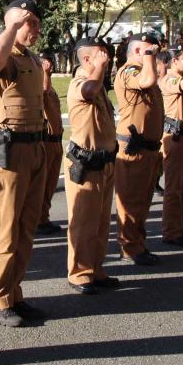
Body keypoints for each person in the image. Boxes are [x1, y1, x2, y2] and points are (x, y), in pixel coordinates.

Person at [0, 0, 47, 328]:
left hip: (34, 148)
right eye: (31, 22)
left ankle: (14, 292)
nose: (36, 29)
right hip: (10, 150)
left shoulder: (30, 58)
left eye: (36, 23)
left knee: (25, 228)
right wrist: (13, 25)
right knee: (5, 229)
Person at [64, 37, 120, 294]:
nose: (106, 57)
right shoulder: (80, 82)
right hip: (85, 164)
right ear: (86, 59)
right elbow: (88, 92)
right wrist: (99, 69)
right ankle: (79, 274)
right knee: (83, 222)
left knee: (100, 222)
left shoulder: (99, 84)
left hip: (104, 162)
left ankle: (96, 269)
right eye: (100, 54)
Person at [113, 32, 164, 266]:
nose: (155, 53)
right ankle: (129, 247)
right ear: (136, 51)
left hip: (149, 147)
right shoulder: (129, 72)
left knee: (143, 201)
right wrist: (150, 57)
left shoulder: (144, 70)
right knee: (131, 201)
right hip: (134, 147)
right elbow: (147, 81)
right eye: (149, 49)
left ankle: (138, 244)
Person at [159, 45, 183, 247]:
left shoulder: (181, 79)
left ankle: (179, 229)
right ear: (174, 61)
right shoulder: (169, 80)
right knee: (174, 188)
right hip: (175, 138)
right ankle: (171, 231)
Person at [37, 52, 64, 235]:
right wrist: (45, 73)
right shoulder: (40, 83)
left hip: (56, 141)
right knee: (43, 184)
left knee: (51, 184)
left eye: (50, 62)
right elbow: (44, 91)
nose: (50, 65)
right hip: (46, 142)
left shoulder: (50, 85)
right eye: (46, 63)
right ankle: (38, 220)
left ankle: (43, 217)